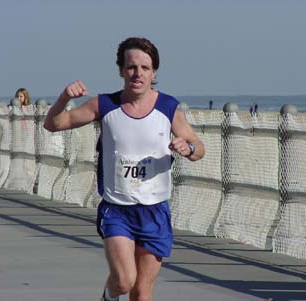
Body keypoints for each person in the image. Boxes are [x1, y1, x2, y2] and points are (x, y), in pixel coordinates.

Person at [43, 37, 205, 301]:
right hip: (117, 209)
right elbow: (54, 124)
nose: (137, 73)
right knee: (123, 280)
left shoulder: (168, 108)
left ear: (154, 73)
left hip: (155, 211)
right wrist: (63, 98)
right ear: (121, 70)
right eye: (131, 67)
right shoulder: (105, 105)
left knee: (142, 294)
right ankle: (108, 296)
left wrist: (188, 149)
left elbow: (199, 147)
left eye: (144, 68)